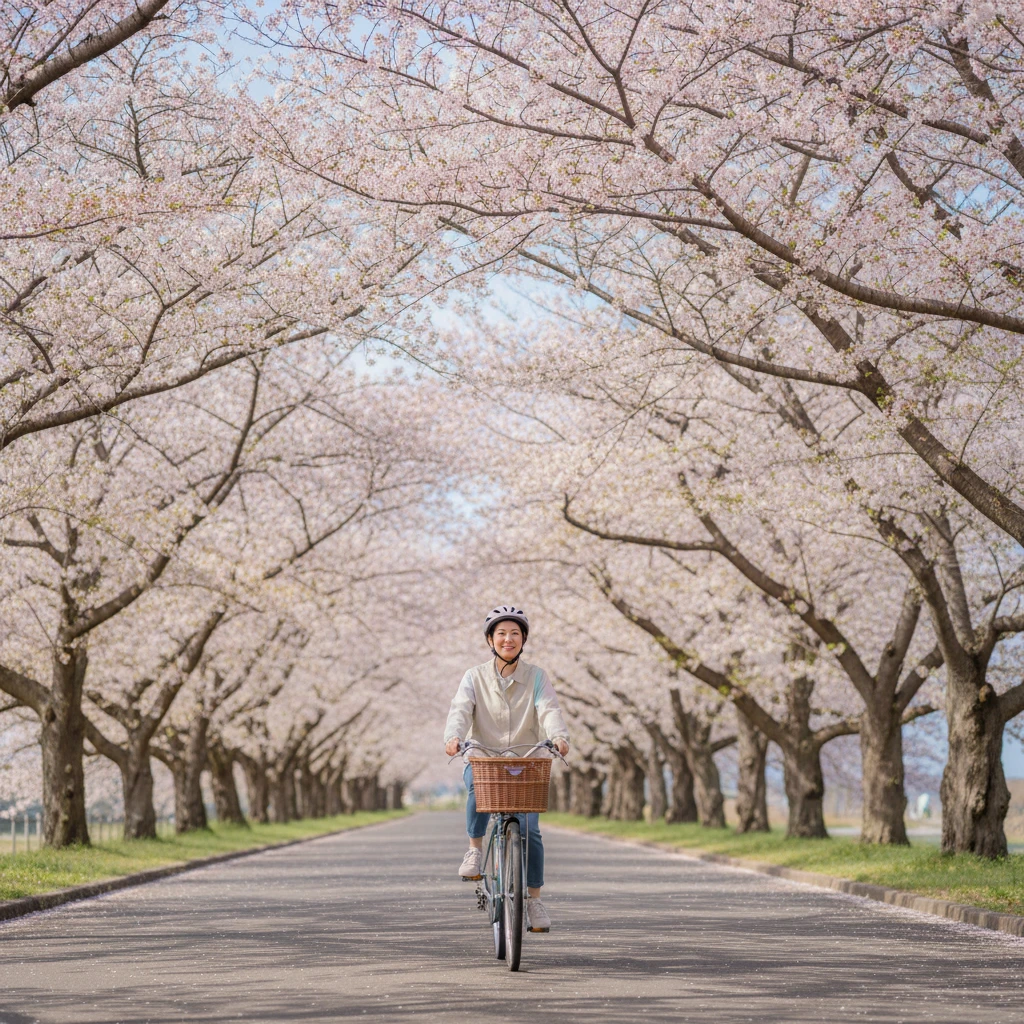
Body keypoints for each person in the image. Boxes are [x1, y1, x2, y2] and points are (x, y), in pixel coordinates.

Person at [444, 605, 570, 933]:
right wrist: (454, 737)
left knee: (530, 830)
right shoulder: (474, 677)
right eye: (501, 633)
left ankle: (534, 900)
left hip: (525, 762)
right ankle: (474, 850)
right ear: (490, 639)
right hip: (486, 758)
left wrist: (558, 735)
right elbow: (460, 709)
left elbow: (548, 709)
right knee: (475, 781)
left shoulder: (536, 676)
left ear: (524, 639)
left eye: (515, 633)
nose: (508, 639)